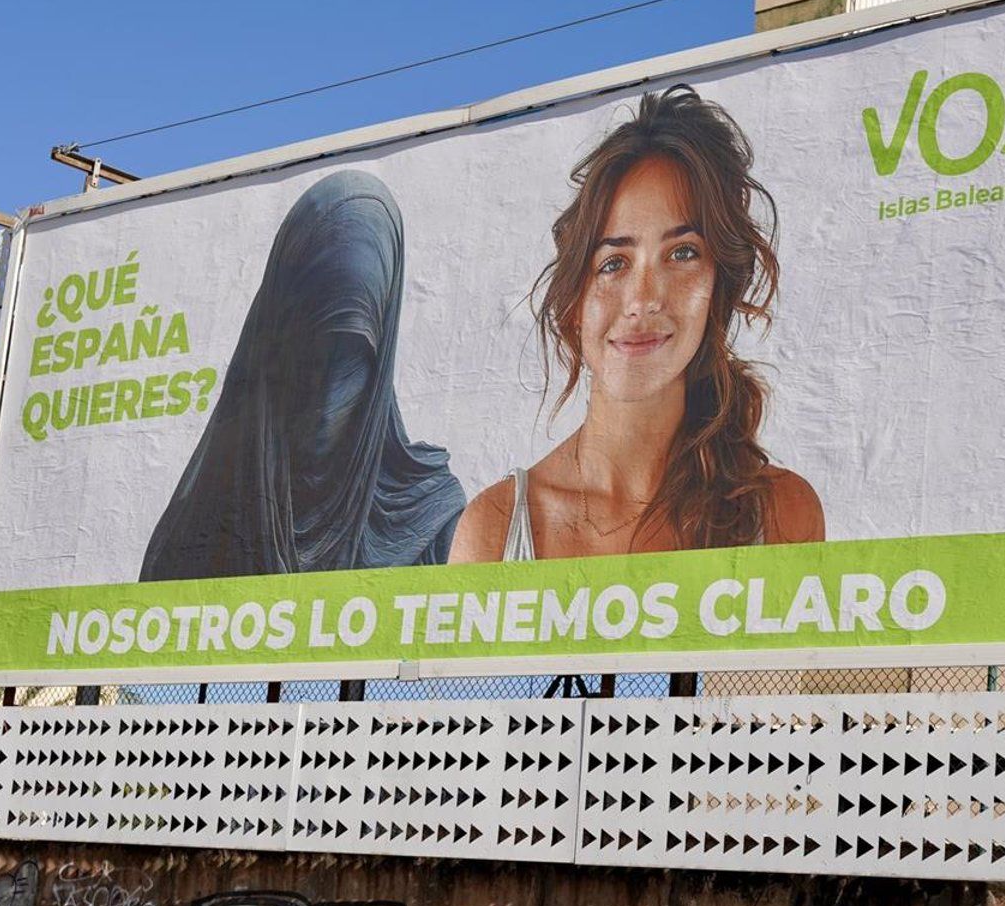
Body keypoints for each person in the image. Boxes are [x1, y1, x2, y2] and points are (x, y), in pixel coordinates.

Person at [450, 85, 822, 563]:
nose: (643, 299)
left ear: (718, 286)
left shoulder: (780, 513)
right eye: (613, 263)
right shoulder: (496, 528)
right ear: (574, 301)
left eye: (682, 254)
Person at [141, 170, 465, 581]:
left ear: (380, 357)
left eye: (352, 362)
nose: (328, 407)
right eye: (314, 358)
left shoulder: (430, 522)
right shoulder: (197, 530)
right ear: (275, 346)